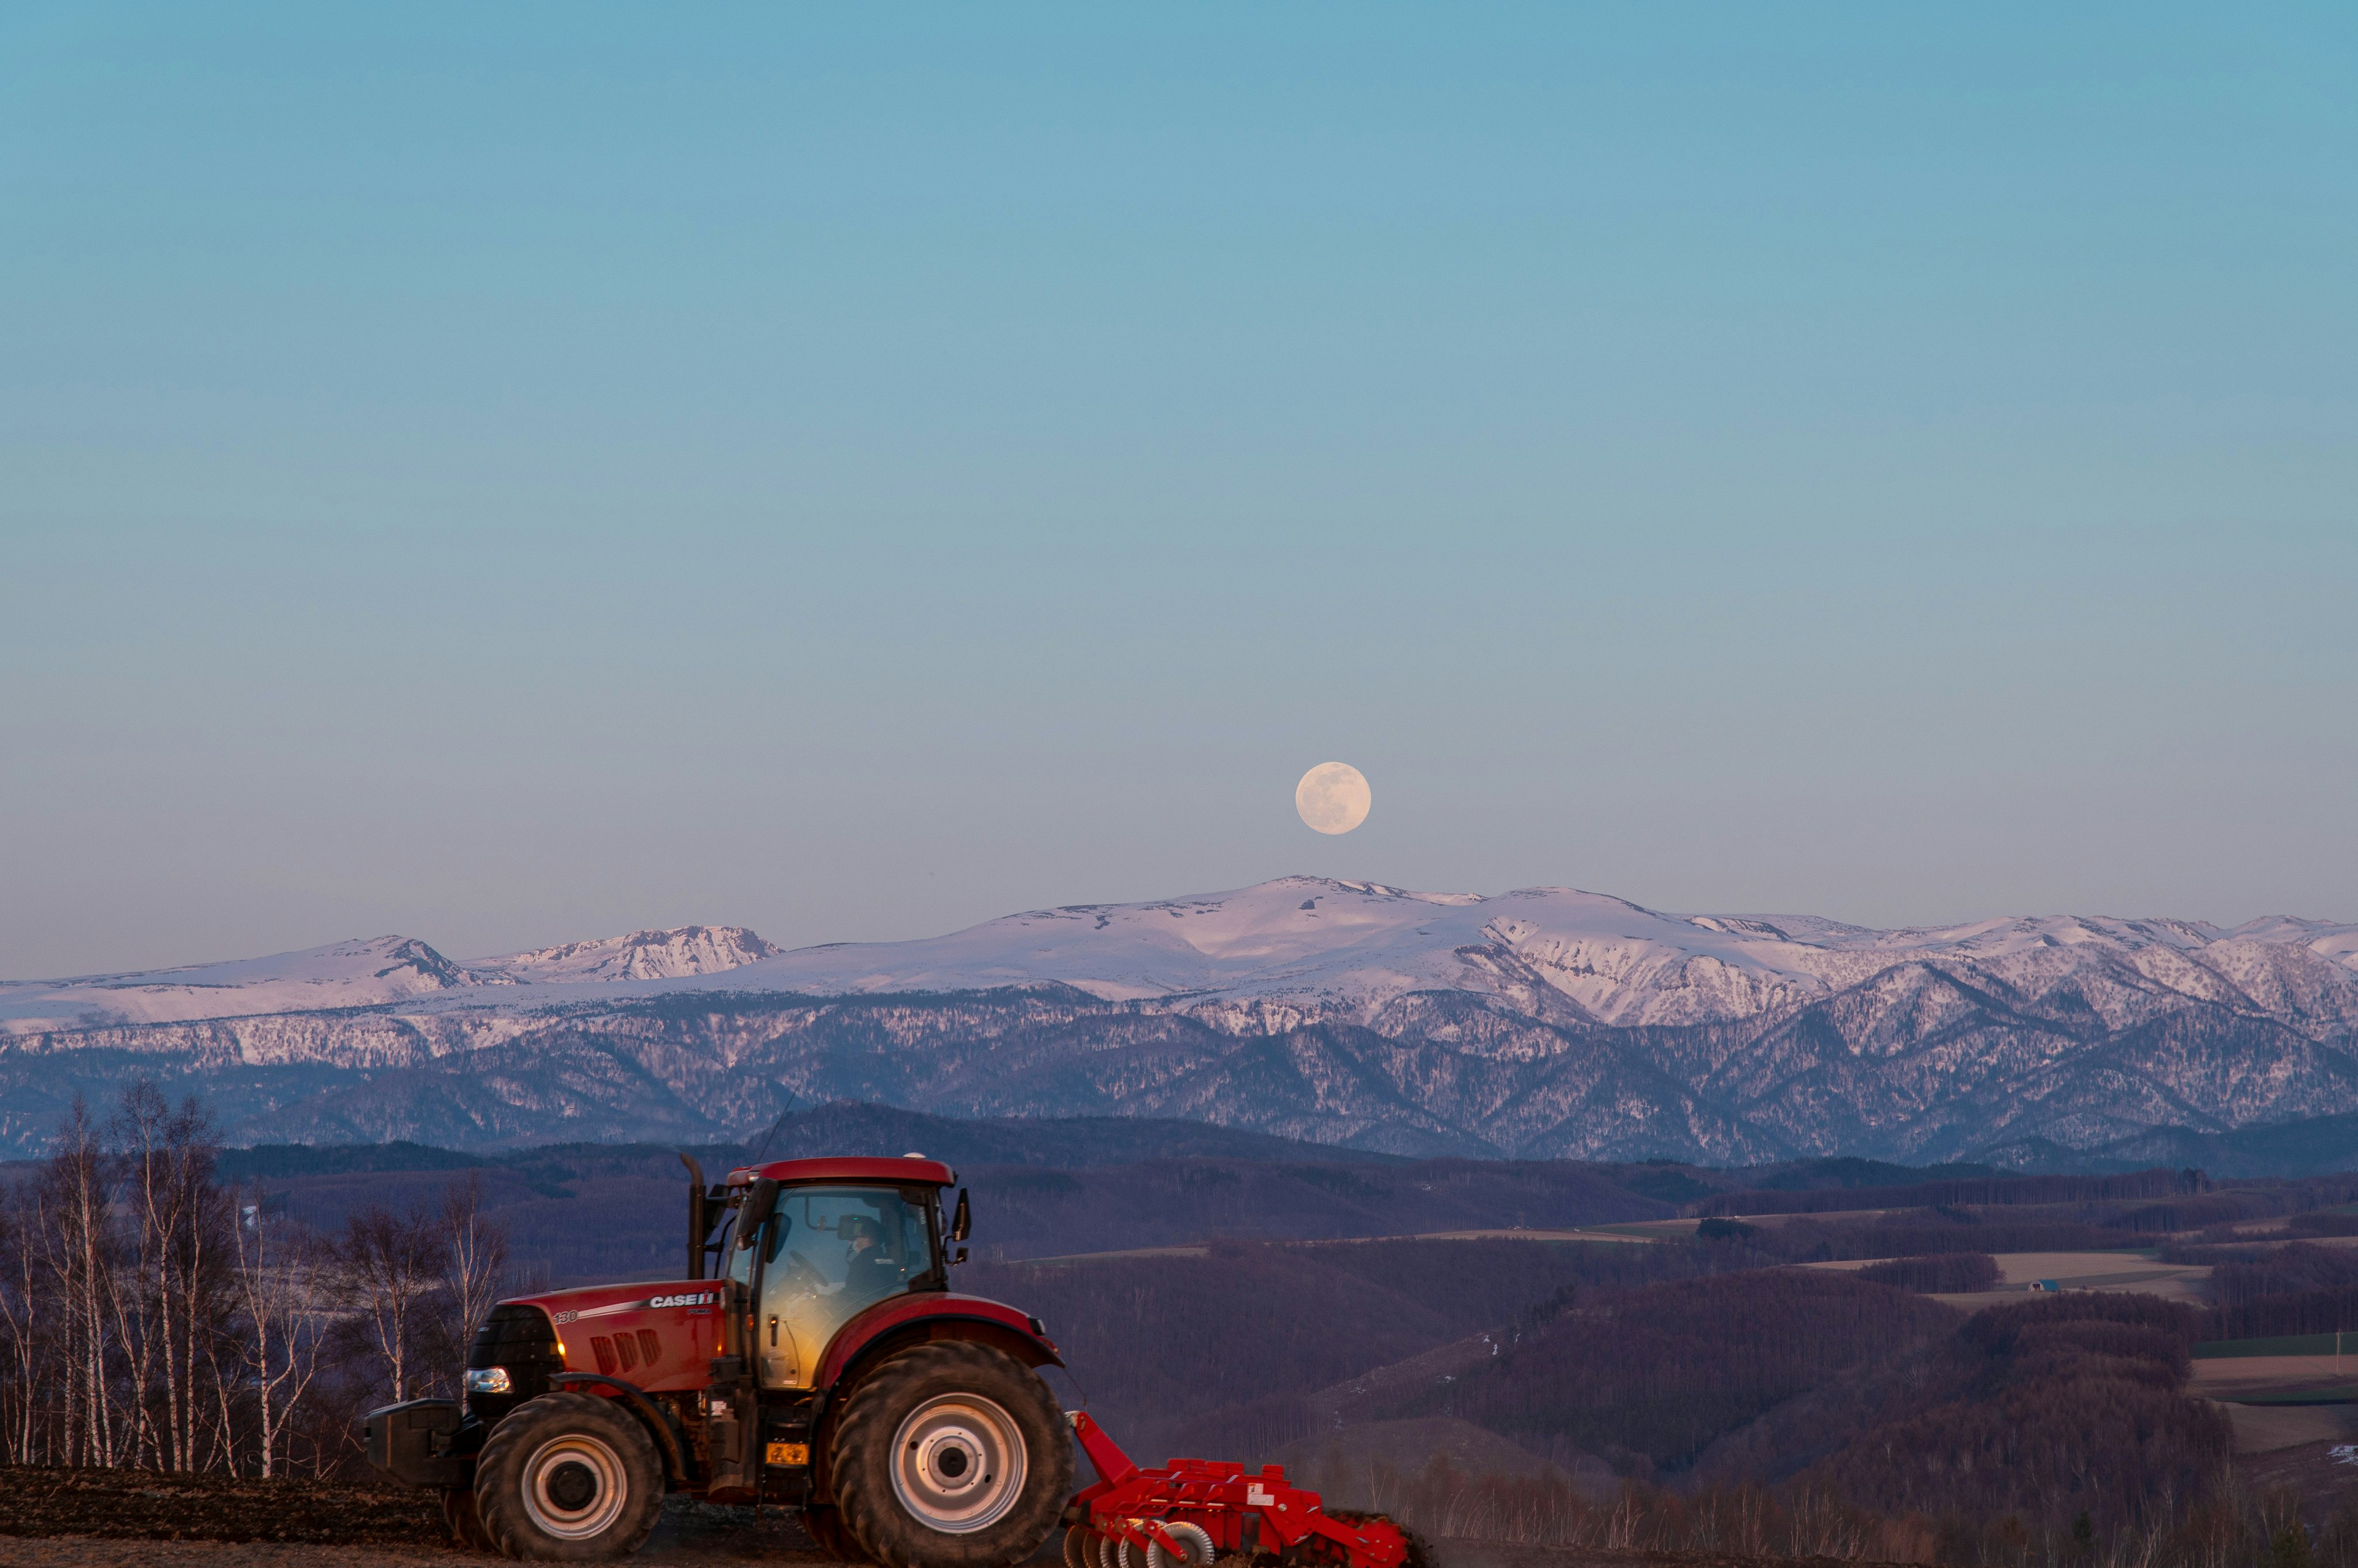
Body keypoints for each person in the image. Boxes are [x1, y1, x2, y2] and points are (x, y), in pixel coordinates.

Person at [839, 1213, 907, 1299]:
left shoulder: (860, 1262)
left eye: (856, 1237)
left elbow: (851, 1294)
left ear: (867, 1239)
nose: (851, 1242)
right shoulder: (890, 1261)